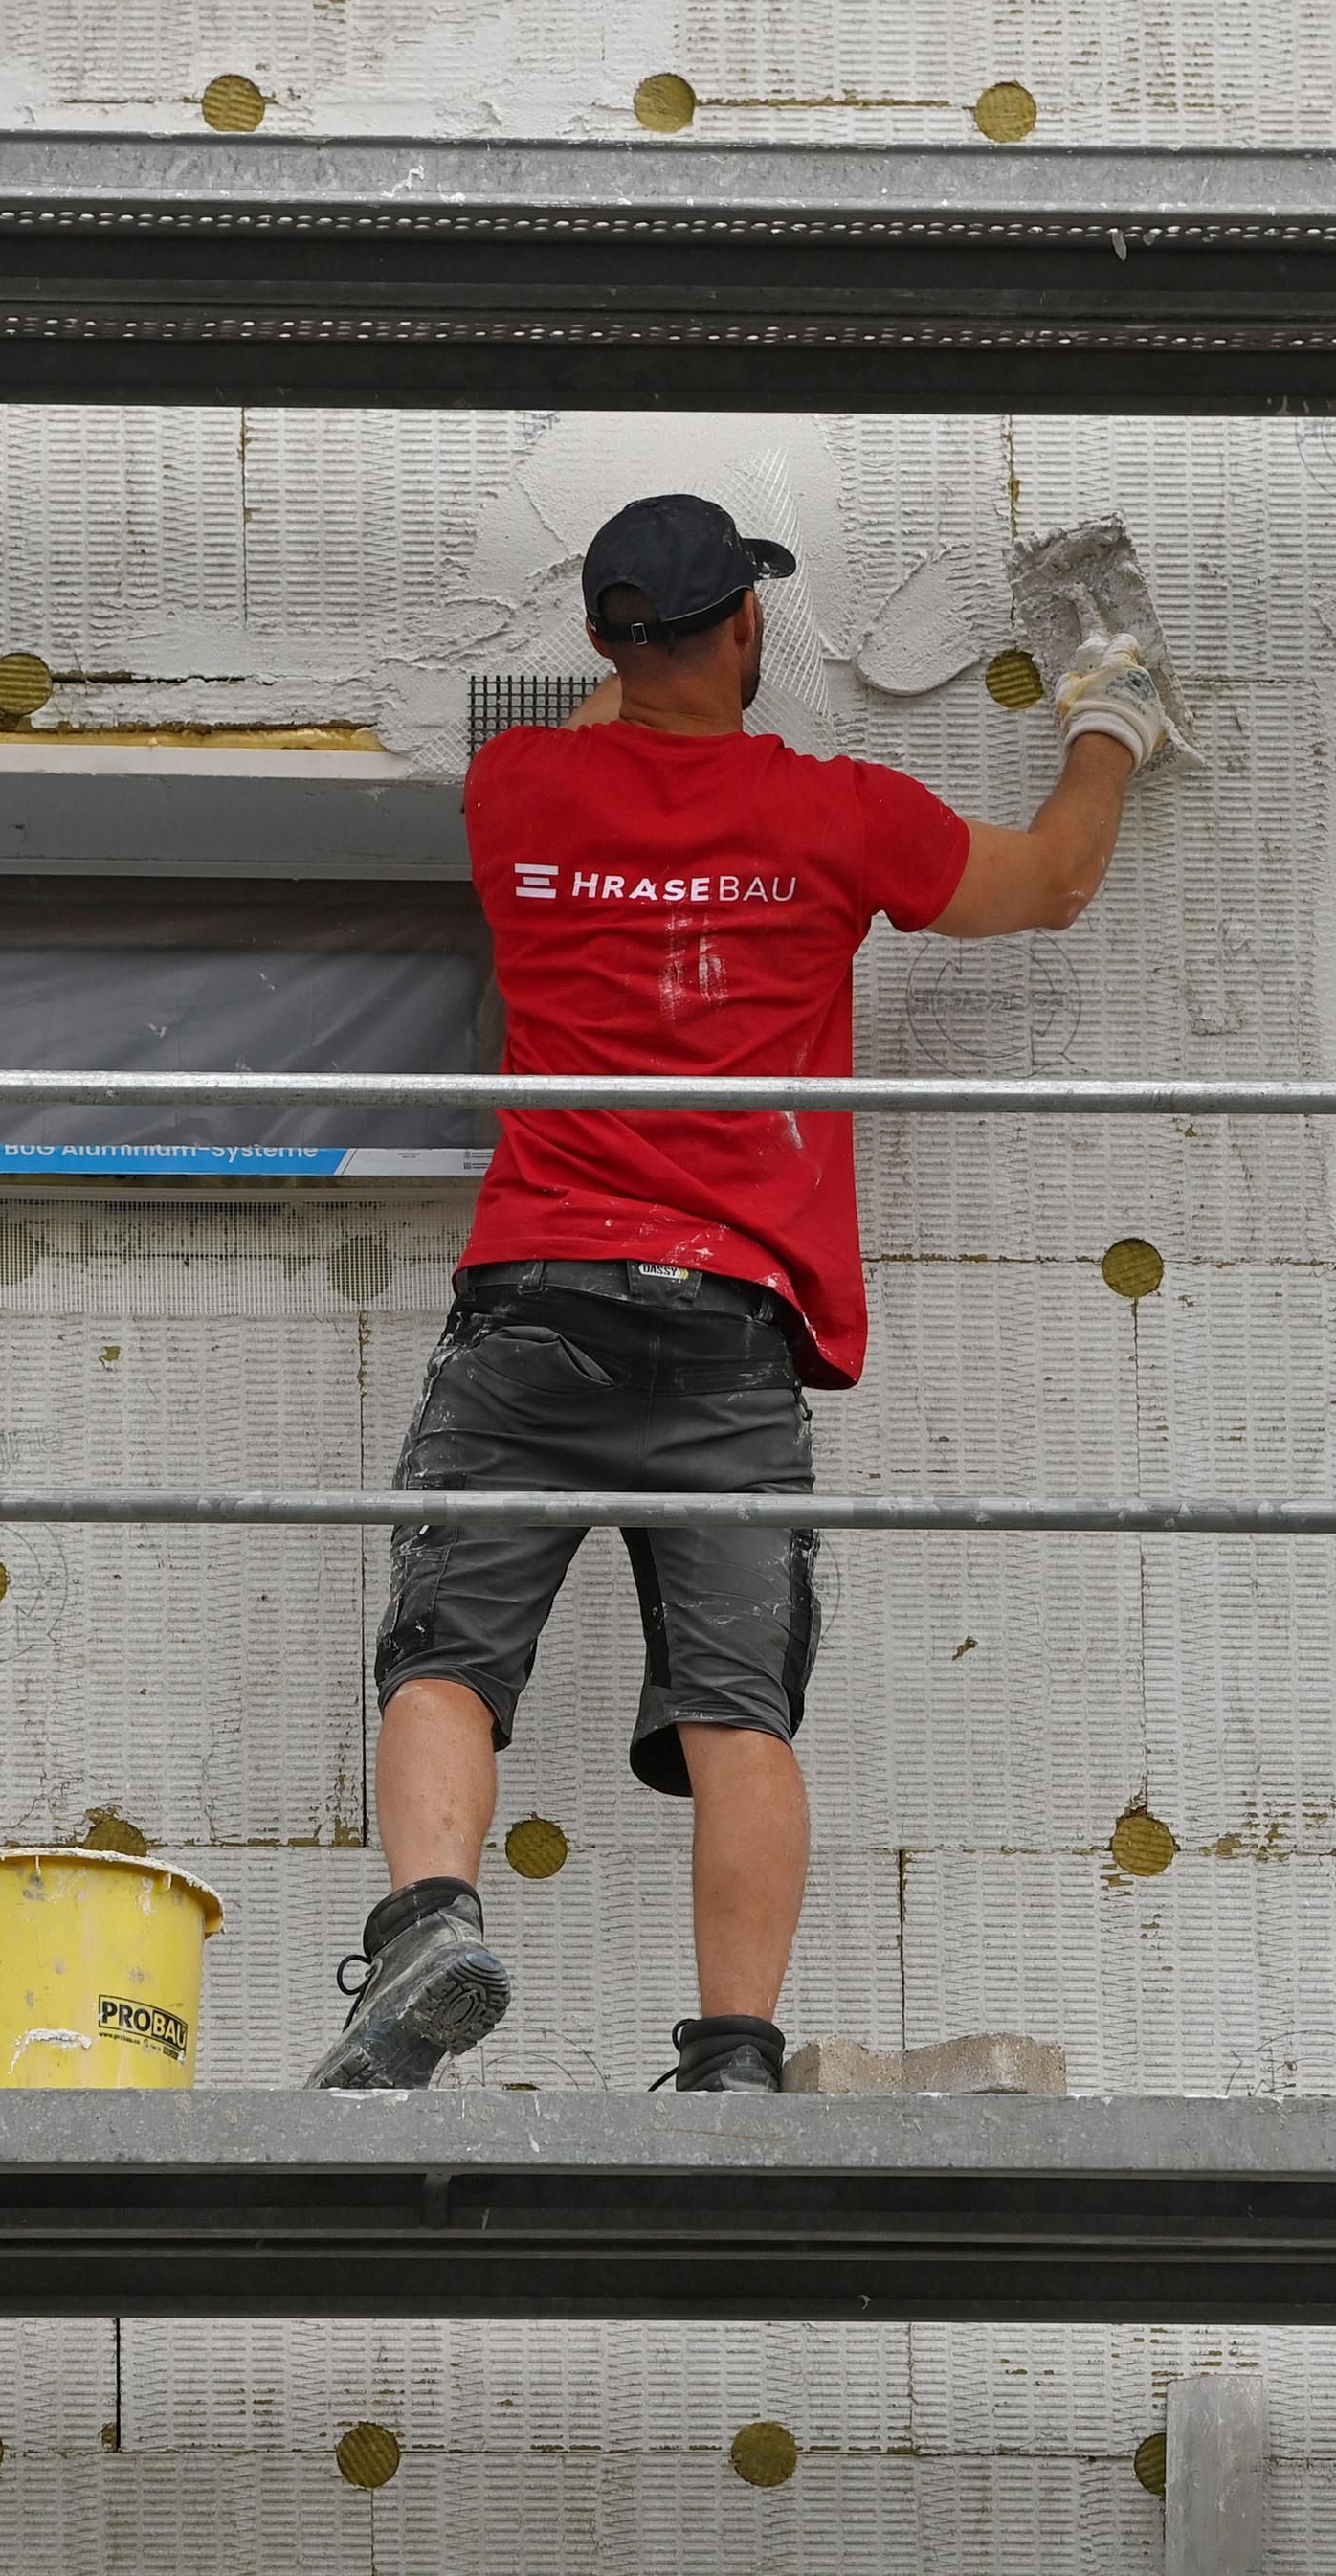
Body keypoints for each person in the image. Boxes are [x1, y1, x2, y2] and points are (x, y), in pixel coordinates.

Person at [305, 489, 1179, 2094]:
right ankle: (730, 2056)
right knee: (735, 1710)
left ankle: (428, 1924)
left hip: (535, 1298)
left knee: (446, 1657)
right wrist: (1112, 714)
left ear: (602, 640)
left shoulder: (520, 792)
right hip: (725, 1315)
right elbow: (1052, 881)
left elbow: (589, 730)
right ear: (751, 624)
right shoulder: (836, 813)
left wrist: (618, 685)